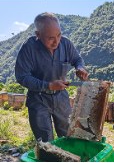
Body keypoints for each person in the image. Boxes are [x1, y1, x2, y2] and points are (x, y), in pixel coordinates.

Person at [15, 12, 88, 142]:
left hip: (61, 98)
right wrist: (48, 85)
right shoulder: (29, 47)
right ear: (38, 35)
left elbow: (77, 58)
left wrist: (79, 68)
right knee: (45, 142)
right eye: (50, 38)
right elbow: (22, 76)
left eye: (59, 35)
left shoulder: (65, 43)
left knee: (69, 136)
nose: (56, 41)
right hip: (38, 100)